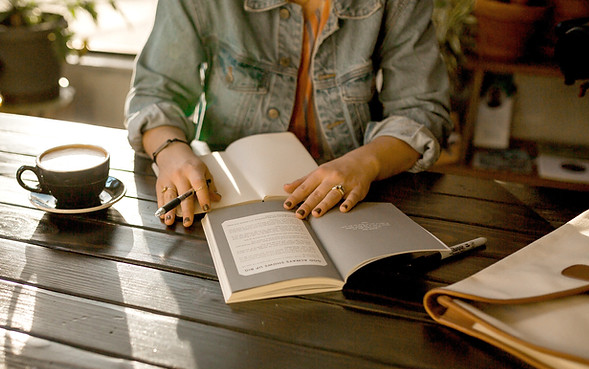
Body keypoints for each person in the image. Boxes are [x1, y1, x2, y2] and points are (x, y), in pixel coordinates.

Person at [125, 0, 452, 227]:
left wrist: (364, 163)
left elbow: (420, 110)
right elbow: (158, 89)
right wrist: (172, 154)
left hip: (351, 201)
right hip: (225, 196)